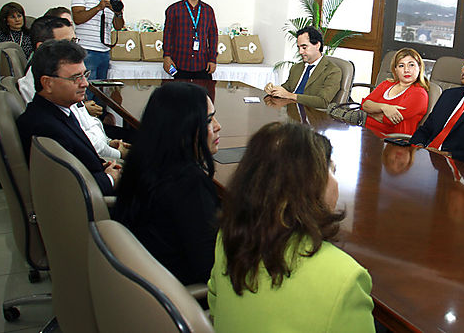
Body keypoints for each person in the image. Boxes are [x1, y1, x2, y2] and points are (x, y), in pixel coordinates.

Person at [208, 122, 375, 332]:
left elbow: (214, 308)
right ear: (311, 184)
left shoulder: (227, 236)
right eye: (331, 169)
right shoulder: (346, 278)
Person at [112, 82, 221, 285]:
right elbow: (210, 268)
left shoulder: (143, 162)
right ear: (183, 127)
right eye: (208, 119)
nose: (217, 126)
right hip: (182, 298)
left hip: (148, 285)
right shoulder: (188, 184)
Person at [16, 40, 121, 195]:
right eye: (75, 78)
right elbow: (69, 188)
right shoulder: (44, 127)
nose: (85, 83)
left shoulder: (59, 110)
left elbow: (81, 159)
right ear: (48, 83)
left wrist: (104, 166)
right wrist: (110, 179)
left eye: (85, 75)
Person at [17, 15, 128, 160]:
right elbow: (80, 142)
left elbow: (88, 123)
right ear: (43, 47)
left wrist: (108, 142)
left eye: (74, 41)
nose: (85, 84)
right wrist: (117, 154)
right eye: (66, 43)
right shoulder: (50, 91)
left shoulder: (64, 84)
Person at [264, 26, 342, 109]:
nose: (300, 52)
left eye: (304, 47)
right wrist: (273, 90)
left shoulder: (332, 71)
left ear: (317, 45)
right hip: (291, 111)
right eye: (299, 47)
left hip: (312, 116)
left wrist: (290, 95)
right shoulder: (296, 67)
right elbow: (287, 88)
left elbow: (323, 102)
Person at [71, 0, 125, 81]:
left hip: (105, 51)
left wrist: (118, 12)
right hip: (86, 50)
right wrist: (98, 7)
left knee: (102, 91)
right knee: (87, 90)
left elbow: (118, 27)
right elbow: (78, 19)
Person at [162, 0, 218, 80]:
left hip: (202, 65)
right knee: (179, 96)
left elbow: (213, 36)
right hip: (179, 64)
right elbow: (168, 35)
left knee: (204, 95)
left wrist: (212, 59)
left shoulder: (208, 10)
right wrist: (167, 57)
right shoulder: (173, 9)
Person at [361, 48, 428, 136]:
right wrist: (384, 107)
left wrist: (369, 112)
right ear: (395, 69)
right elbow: (365, 105)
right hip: (365, 133)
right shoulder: (387, 84)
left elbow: (390, 121)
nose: (406, 70)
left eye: (411, 65)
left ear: (419, 67)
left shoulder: (419, 94)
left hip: (392, 142)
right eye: (401, 66)